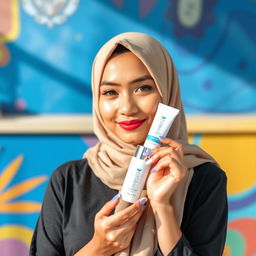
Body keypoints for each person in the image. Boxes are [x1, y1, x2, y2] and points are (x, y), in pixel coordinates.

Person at [30, 32, 227, 256]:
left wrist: (163, 207)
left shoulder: (203, 180)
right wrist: (98, 248)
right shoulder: (68, 181)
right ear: (97, 99)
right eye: (111, 92)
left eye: (143, 88)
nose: (127, 108)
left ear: (167, 90)